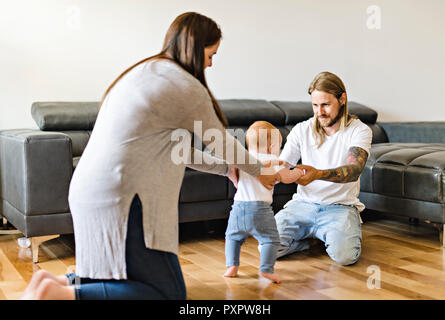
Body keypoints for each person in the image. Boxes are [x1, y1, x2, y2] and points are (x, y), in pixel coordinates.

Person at [21, 12, 281, 300]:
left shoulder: (144, 73)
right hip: (124, 195)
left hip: (90, 189)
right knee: (165, 293)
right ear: (195, 46)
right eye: (211, 54)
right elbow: (220, 141)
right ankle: (55, 296)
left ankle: (55, 285)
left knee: (119, 277)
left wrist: (227, 170)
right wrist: (260, 170)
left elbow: (181, 151)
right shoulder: (184, 84)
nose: (210, 63)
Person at [275, 72, 372, 266]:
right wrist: (258, 172)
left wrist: (317, 174)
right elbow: (282, 165)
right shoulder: (301, 129)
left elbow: (353, 170)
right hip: (302, 205)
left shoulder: (359, 131)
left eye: (326, 105)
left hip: (340, 207)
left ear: (342, 99)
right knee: (266, 247)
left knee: (345, 257)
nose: (320, 112)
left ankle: (333, 237)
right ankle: (310, 242)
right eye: (315, 105)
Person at [223, 121, 304, 283]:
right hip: (260, 209)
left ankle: (232, 267)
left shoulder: (245, 160)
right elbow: (286, 178)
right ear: (271, 145)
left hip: (238, 207)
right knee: (271, 239)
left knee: (232, 237)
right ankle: (266, 269)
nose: (279, 151)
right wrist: (299, 172)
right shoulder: (272, 160)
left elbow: (233, 174)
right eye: (279, 146)